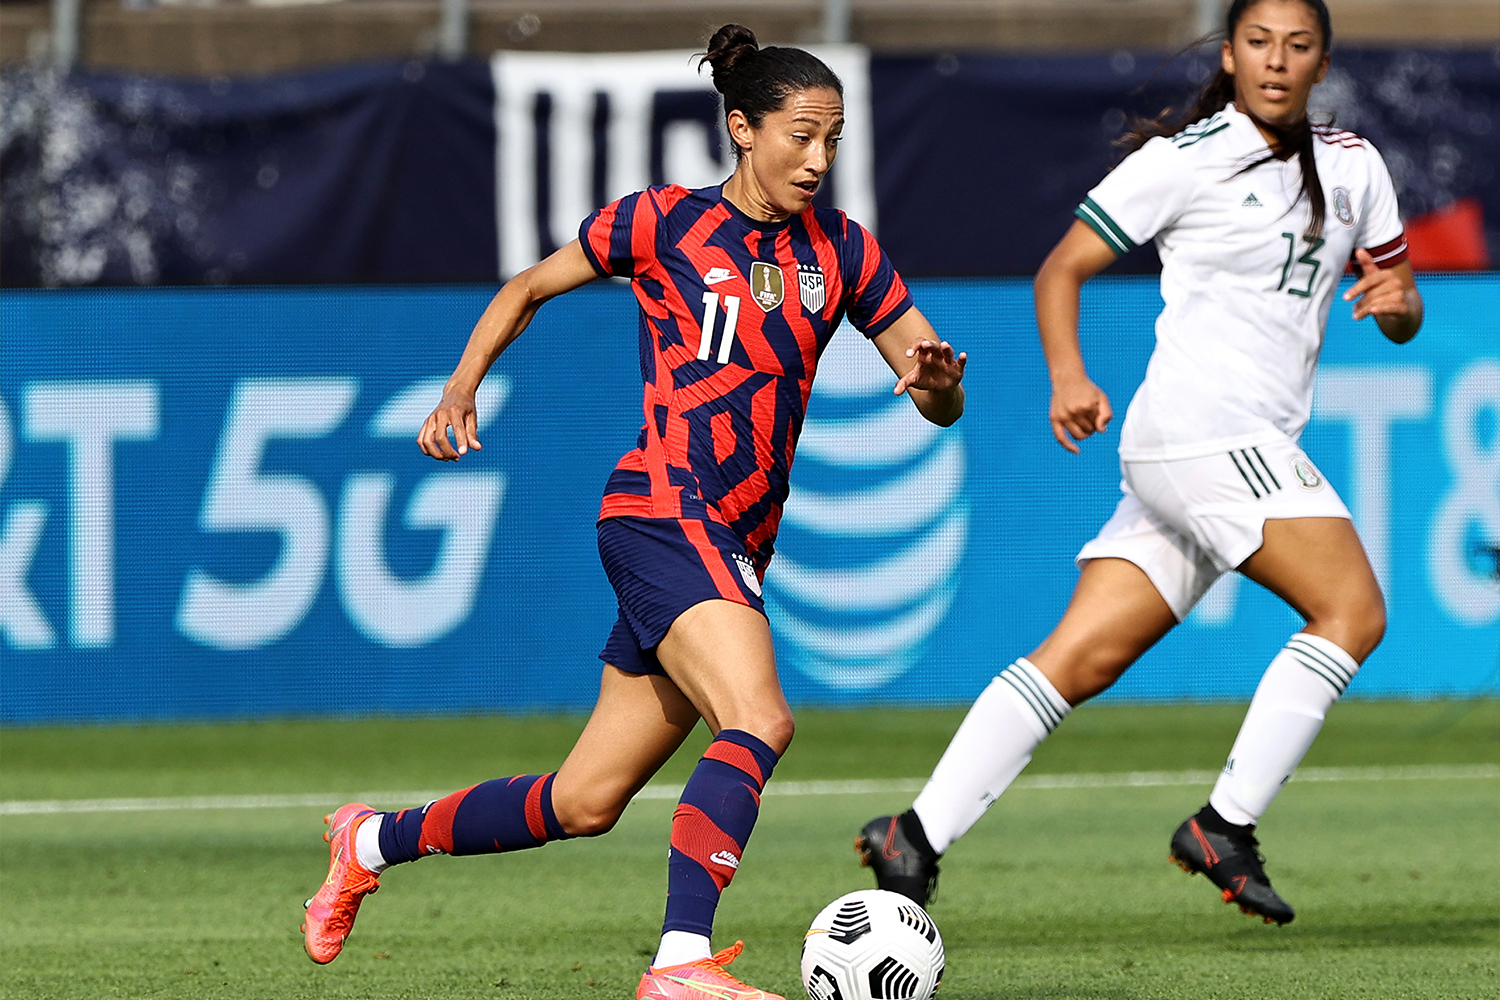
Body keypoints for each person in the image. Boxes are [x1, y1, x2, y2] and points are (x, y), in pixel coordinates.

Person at [300, 23, 967, 1000]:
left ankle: (369, 839)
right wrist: (458, 389)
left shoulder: (845, 252)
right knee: (759, 717)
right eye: (800, 135)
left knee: (585, 799)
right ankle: (680, 963)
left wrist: (939, 384)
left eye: (833, 138)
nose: (819, 158)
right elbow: (531, 284)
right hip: (663, 507)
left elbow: (934, 395)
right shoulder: (663, 223)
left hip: (732, 540)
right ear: (742, 128)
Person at [857, 0, 1420, 926]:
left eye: (1299, 45)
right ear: (1230, 54)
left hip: (1217, 447)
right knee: (1352, 610)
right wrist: (1067, 375)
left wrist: (1399, 302)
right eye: (1258, 42)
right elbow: (1061, 268)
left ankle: (913, 833)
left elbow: (1398, 309)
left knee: (1081, 657)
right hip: (1204, 432)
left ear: (1323, 62)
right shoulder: (1184, 160)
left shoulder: (1357, 167)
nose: (1277, 61)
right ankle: (1223, 825)